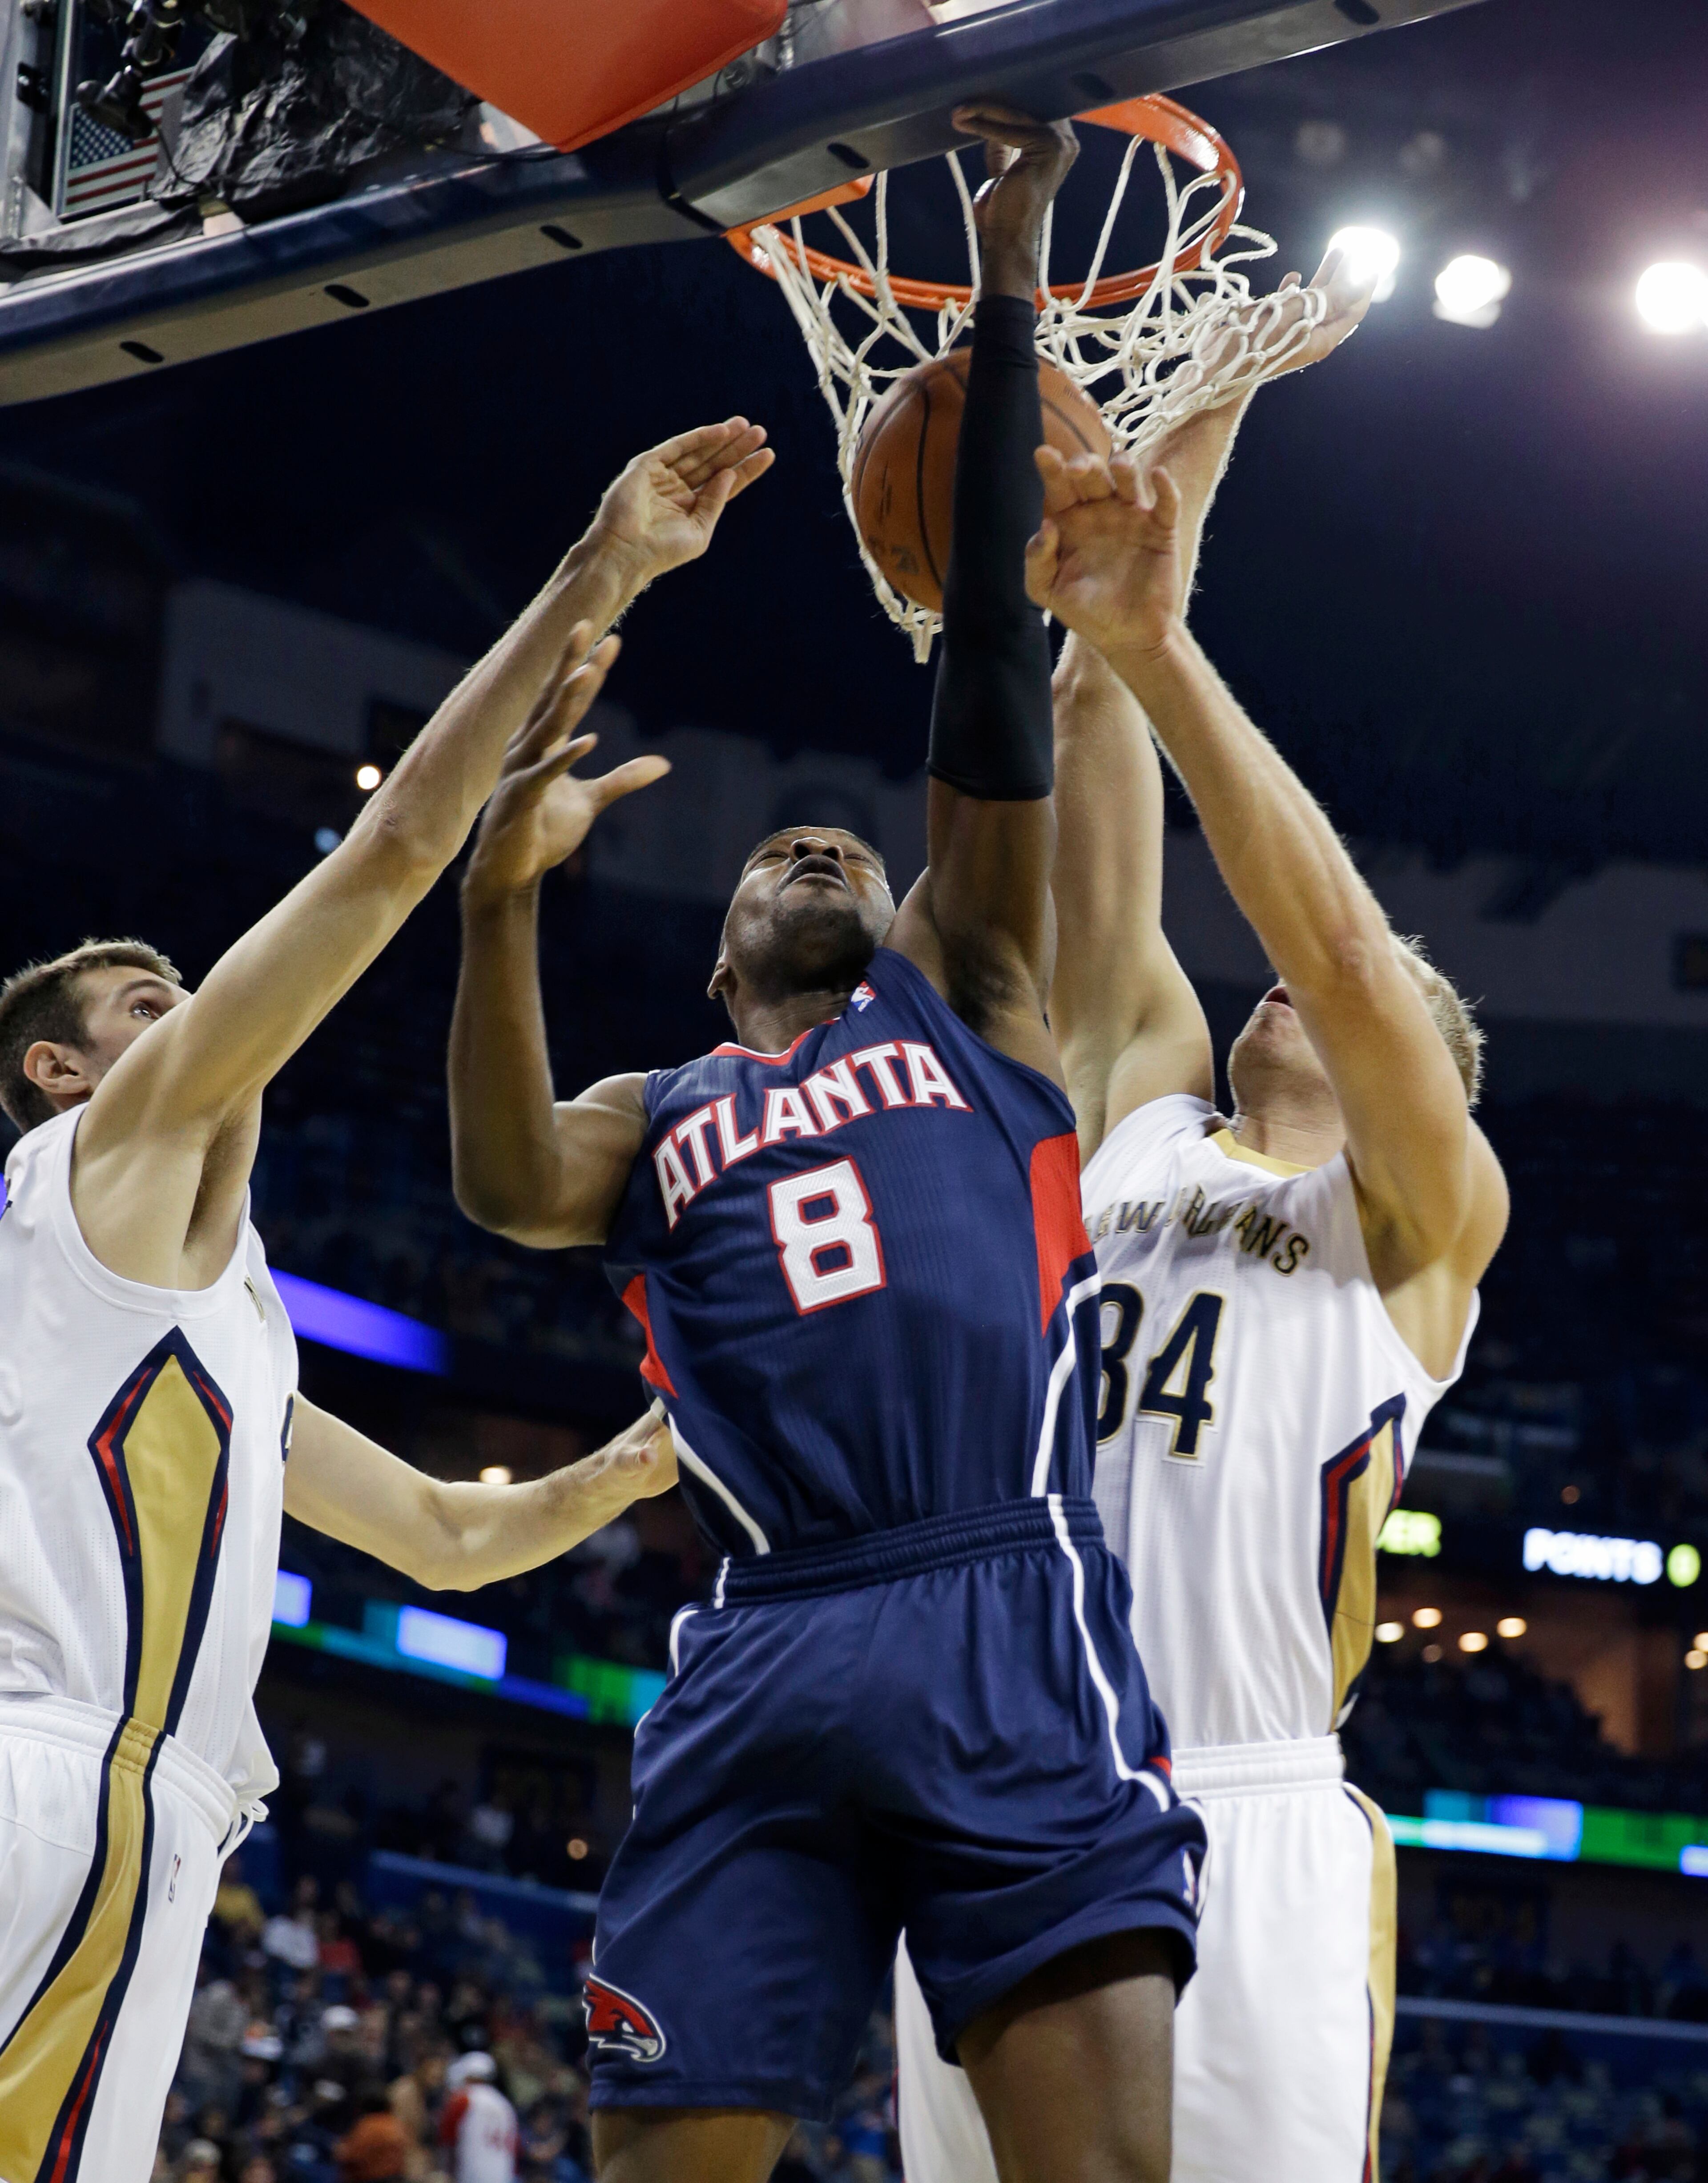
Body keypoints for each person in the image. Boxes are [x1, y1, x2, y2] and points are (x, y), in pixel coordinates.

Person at [450, 105, 1208, 2183]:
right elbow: (507, 1186)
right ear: (710, 969)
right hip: (767, 1630)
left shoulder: (967, 991)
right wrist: (498, 893)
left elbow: (984, 678)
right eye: (774, 852)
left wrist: (1008, 274)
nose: (812, 845)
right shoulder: (662, 1113)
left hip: (995, 1596)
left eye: (842, 846)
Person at [0, 417, 773, 2183]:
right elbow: (381, 862)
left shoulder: (177, 1303)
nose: (184, 1009)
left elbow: (436, 1533)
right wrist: (600, 565)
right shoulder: (108, 1168)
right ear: (59, 1071)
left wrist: (641, 1458)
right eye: (140, 1003)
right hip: (70, 1789)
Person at [894, 280, 1509, 2183]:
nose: (1301, 984)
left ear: (1430, 1059)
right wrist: (1191, 428)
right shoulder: (1144, 1102)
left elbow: (1329, 936)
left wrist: (1160, 649)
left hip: (1239, 1811)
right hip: (998, 1784)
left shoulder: (1415, 1222)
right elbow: (1086, 708)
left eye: (1385, 997)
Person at [439, 2053, 517, 2183]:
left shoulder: (464, 2098)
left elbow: (447, 2140)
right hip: (502, 2176)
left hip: (471, 2175)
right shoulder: (505, 2104)